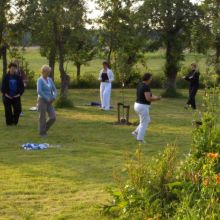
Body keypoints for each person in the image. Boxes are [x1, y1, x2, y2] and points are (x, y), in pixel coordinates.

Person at [132, 73, 161, 144]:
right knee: (144, 123)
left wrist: (156, 97)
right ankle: (140, 139)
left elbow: (149, 95)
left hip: (137, 105)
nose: (151, 79)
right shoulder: (146, 86)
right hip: (142, 106)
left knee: (147, 120)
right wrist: (157, 99)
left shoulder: (140, 85)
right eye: (151, 78)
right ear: (148, 78)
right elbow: (148, 98)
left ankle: (135, 132)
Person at [37, 65, 57, 137]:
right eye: (47, 72)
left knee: (53, 117)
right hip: (42, 100)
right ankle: (42, 133)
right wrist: (46, 98)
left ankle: (44, 129)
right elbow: (39, 91)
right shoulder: (40, 80)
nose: (49, 73)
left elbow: (54, 89)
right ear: (43, 72)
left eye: (49, 72)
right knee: (42, 117)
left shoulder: (50, 79)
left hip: (50, 101)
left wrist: (54, 97)